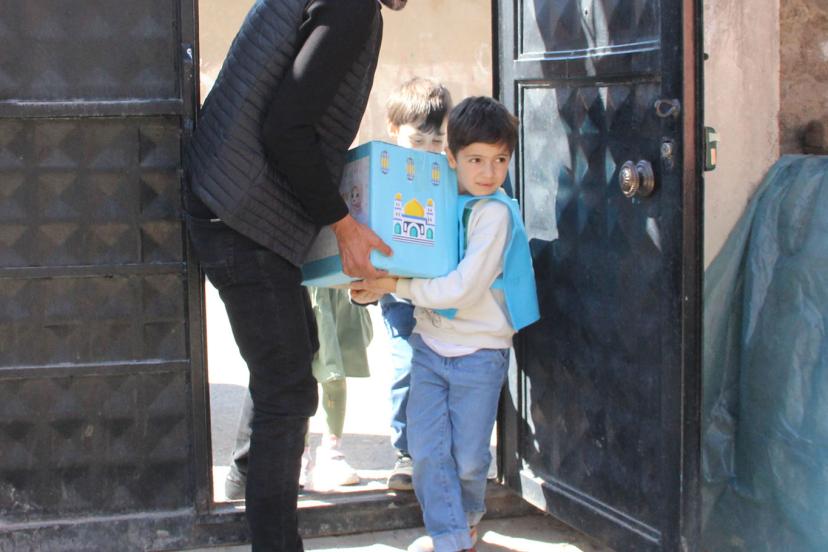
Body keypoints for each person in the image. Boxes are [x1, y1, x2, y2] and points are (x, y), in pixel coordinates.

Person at [183, 1, 408, 550]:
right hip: (241, 212)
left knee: (292, 354)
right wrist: (345, 228)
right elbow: (287, 129)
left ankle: (245, 478)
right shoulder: (352, 6)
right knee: (287, 390)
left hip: (227, 198)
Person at [351, 96, 540, 552]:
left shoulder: (494, 214)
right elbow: (406, 251)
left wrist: (395, 285)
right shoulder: (436, 197)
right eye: (475, 159)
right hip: (430, 347)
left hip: (480, 355)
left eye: (500, 160)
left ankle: (466, 518)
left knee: (469, 459)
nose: (488, 172)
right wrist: (373, 283)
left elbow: (461, 289)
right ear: (451, 158)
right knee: (427, 451)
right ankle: (450, 535)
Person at [224, 286, 373, 498]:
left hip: (335, 286)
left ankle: (331, 451)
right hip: (298, 286)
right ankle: (300, 454)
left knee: (334, 371)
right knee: (296, 369)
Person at [381, 77, 453, 491]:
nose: (428, 150)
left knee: (450, 370)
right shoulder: (384, 172)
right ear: (393, 130)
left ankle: (445, 452)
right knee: (407, 367)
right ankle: (406, 453)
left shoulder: (450, 173)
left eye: (437, 141)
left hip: (444, 292)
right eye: (417, 140)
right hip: (398, 295)